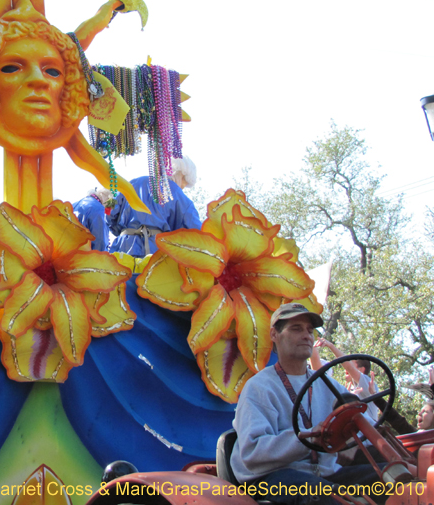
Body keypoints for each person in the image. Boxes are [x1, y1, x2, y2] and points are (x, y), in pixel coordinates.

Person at [230, 302, 388, 505]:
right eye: (296, 328)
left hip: (324, 474)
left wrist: (352, 440)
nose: (307, 335)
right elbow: (253, 452)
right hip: (271, 477)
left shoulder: (327, 384)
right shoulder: (259, 388)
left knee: (392, 481)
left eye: (309, 330)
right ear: (274, 335)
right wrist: (311, 438)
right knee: (331, 497)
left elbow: (359, 421)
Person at [106, 176, 201, 257]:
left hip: (123, 248)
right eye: (184, 183)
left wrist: (121, 231)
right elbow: (195, 230)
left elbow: (109, 210)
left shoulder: (131, 183)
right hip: (157, 251)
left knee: (121, 277)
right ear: (181, 176)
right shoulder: (176, 191)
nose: (183, 187)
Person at [72, 187, 112, 252]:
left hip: (68, 254)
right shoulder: (98, 209)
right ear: (107, 199)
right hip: (85, 257)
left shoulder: (74, 205)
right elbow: (100, 241)